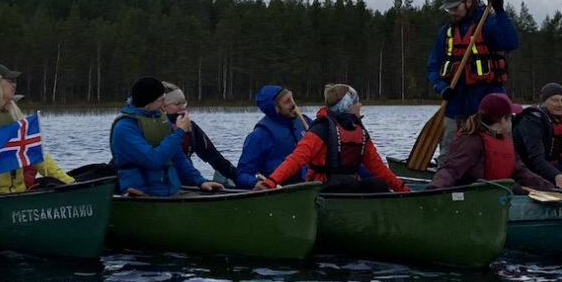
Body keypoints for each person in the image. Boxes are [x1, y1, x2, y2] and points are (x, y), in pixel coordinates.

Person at [0, 63, 76, 199]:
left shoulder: (14, 117)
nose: (14, 85)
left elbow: (37, 156)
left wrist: (70, 183)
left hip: (18, 194)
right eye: (10, 81)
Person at [425, 0, 520, 150]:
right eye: (449, 9)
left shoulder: (487, 24)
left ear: (469, 1)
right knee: (448, 150)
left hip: (488, 99)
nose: (452, 12)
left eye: (455, 7)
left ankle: (503, 171)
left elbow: (510, 43)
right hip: (455, 100)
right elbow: (432, 68)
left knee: (497, 149)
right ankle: (447, 171)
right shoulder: (445, 32)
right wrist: (442, 88)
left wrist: (500, 12)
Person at [265, 85, 409, 192]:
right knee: (348, 183)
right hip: (322, 187)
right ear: (346, 107)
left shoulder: (360, 131)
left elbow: (378, 167)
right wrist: (271, 182)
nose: (360, 105)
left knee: (378, 184)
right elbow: (296, 159)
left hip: (348, 186)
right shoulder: (322, 129)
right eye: (356, 102)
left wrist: (402, 188)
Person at [111, 76, 224, 197]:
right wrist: (180, 132)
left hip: (170, 191)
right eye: (161, 100)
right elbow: (154, 160)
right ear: (148, 103)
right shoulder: (124, 128)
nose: (163, 103)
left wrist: (200, 182)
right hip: (140, 193)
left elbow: (178, 158)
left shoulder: (160, 119)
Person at [428, 92, 554, 190]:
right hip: (471, 196)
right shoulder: (471, 141)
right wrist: (435, 189)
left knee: (517, 189)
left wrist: (550, 187)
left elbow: (522, 173)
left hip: (494, 194)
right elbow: (451, 169)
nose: (511, 121)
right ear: (504, 119)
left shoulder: (503, 141)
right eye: (510, 117)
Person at [236, 85, 308, 188]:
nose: (293, 104)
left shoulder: (305, 122)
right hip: (281, 188)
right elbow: (242, 174)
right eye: (287, 101)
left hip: (310, 182)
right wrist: (255, 183)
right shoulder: (259, 137)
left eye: (292, 98)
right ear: (275, 108)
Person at [162, 86, 239, 182]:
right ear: (163, 107)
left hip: (188, 178)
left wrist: (240, 177)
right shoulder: (159, 127)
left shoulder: (192, 128)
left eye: (184, 103)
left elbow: (214, 157)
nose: (182, 107)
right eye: (177, 104)